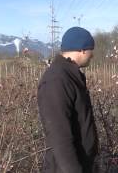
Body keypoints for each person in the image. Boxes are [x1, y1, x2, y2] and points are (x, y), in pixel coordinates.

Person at [38, 27, 99, 173]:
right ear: (82, 49)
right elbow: (59, 135)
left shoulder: (70, 75)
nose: (92, 55)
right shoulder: (57, 80)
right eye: (91, 50)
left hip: (81, 162)